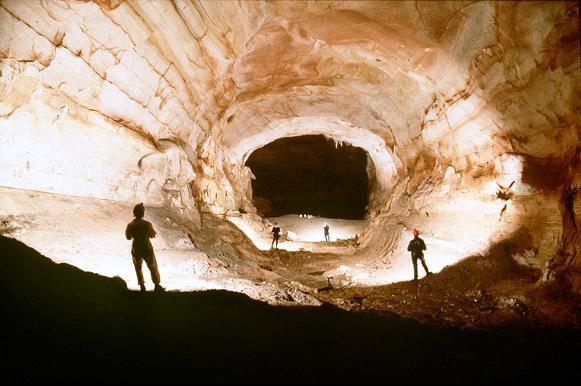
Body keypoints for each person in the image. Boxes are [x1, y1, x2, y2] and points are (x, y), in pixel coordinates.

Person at [125, 203, 165, 292]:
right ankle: (157, 285)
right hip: (146, 246)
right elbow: (152, 234)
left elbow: (128, 237)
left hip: (136, 247)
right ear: (142, 213)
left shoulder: (130, 225)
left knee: (138, 267)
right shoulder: (146, 224)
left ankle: (142, 286)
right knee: (153, 266)